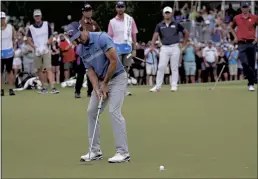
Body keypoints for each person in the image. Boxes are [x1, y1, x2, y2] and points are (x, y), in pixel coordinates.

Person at [66, 22, 130, 163]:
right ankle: (95, 151)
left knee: (114, 111)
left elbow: (114, 62)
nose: (78, 41)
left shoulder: (102, 38)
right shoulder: (81, 49)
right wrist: (97, 88)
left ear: (83, 29)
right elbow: (90, 71)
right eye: (74, 40)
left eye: (78, 37)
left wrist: (105, 84)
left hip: (117, 77)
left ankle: (123, 152)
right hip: (102, 81)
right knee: (91, 112)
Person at [150, 6, 189, 92]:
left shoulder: (176, 24)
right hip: (164, 48)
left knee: (174, 67)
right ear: (163, 14)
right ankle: (157, 86)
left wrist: (184, 44)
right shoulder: (159, 25)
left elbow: (186, 32)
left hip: (175, 47)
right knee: (161, 67)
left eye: (168, 13)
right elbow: (155, 35)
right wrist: (152, 45)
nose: (167, 14)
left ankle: (174, 85)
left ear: (171, 14)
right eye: (166, 13)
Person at [108, 1, 138, 96]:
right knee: (117, 69)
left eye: (122, 6)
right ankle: (115, 89)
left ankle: (124, 90)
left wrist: (134, 49)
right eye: (118, 7)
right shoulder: (112, 22)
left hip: (128, 48)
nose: (120, 8)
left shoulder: (130, 19)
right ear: (116, 8)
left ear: (125, 8)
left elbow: (134, 35)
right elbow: (110, 37)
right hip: (116, 48)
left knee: (126, 69)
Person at [27, 9, 59, 94]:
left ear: (41, 16)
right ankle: (44, 87)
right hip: (37, 51)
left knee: (48, 68)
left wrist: (48, 42)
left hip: (46, 49)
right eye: (36, 16)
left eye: (38, 16)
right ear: (34, 17)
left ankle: (53, 87)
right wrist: (34, 47)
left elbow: (51, 36)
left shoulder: (46, 24)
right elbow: (29, 40)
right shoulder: (31, 28)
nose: (37, 17)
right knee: (39, 69)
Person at [75, 4, 101, 98]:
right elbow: (76, 37)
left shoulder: (94, 23)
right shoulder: (80, 23)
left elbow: (99, 34)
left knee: (92, 71)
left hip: (93, 51)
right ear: (83, 12)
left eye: (90, 10)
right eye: (87, 10)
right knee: (81, 71)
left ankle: (90, 91)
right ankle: (77, 91)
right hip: (83, 50)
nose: (89, 12)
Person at [231, 2, 258, 91]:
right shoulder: (237, 18)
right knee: (244, 63)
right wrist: (235, 37)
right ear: (241, 8)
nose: (245, 9)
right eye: (243, 7)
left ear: (249, 8)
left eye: (246, 7)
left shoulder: (254, 17)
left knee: (251, 64)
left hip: (252, 43)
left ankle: (251, 85)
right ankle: (255, 78)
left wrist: (257, 39)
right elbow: (231, 28)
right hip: (241, 43)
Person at [1, 11, 16, 96]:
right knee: (1, 72)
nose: (1, 20)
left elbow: (14, 39)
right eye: (0, 18)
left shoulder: (11, 27)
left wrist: (14, 49)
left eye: (3, 18)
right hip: (0, 53)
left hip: (9, 52)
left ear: (5, 18)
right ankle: (1, 90)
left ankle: (11, 89)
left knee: (10, 71)